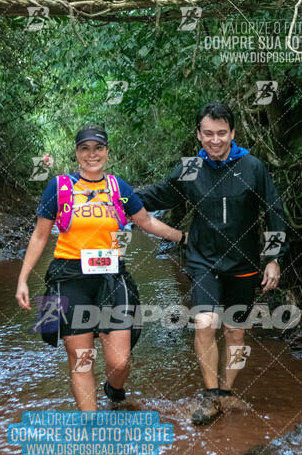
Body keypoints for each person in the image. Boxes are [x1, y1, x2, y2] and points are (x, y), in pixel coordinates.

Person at [16, 124, 186, 412]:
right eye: (85, 148)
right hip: (69, 278)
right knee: (82, 360)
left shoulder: (119, 188)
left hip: (111, 277)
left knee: (119, 362)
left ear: (107, 152)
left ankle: (114, 389)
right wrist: (22, 279)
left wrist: (184, 237)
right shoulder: (58, 187)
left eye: (98, 148)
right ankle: (92, 431)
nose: (92, 154)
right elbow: (40, 235)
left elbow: (146, 222)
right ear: (77, 153)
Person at [137, 102, 288, 424]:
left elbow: (275, 211)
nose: (215, 140)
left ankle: (226, 393)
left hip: (244, 261)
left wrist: (274, 258)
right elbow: (159, 195)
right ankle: (210, 396)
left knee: (235, 332)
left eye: (221, 133)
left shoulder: (252, 167)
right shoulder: (191, 167)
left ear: (232, 133)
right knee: (205, 322)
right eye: (208, 134)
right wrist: (116, 194)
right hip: (203, 259)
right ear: (198, 135)